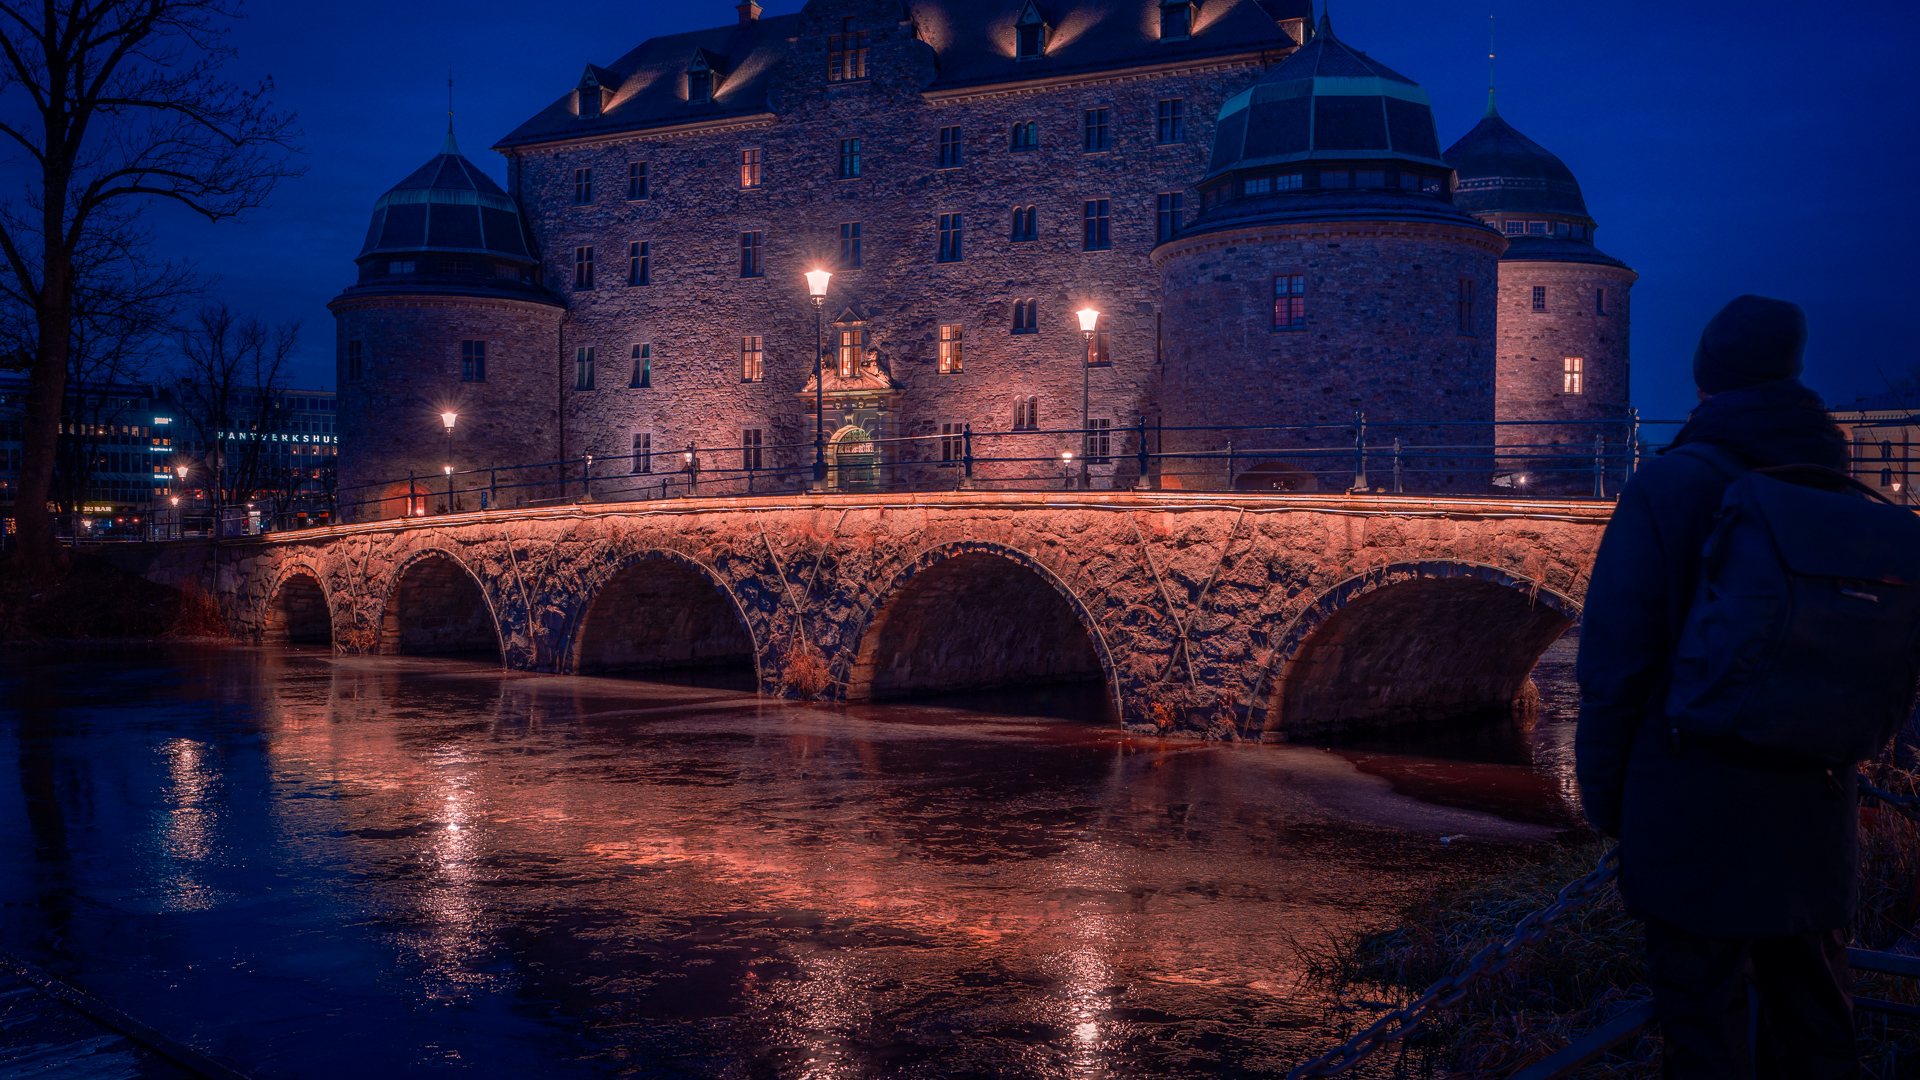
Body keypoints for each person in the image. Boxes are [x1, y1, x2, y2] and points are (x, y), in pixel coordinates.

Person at [1576, 295, 1857, 1078]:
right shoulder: (1836, 486)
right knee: (1817, 1026)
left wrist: (1610, 806)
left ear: (1706, 384)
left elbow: (1615, 665)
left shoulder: (1672, 485)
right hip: (1814, 808)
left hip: (1692, 810)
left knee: (1703, 1035)